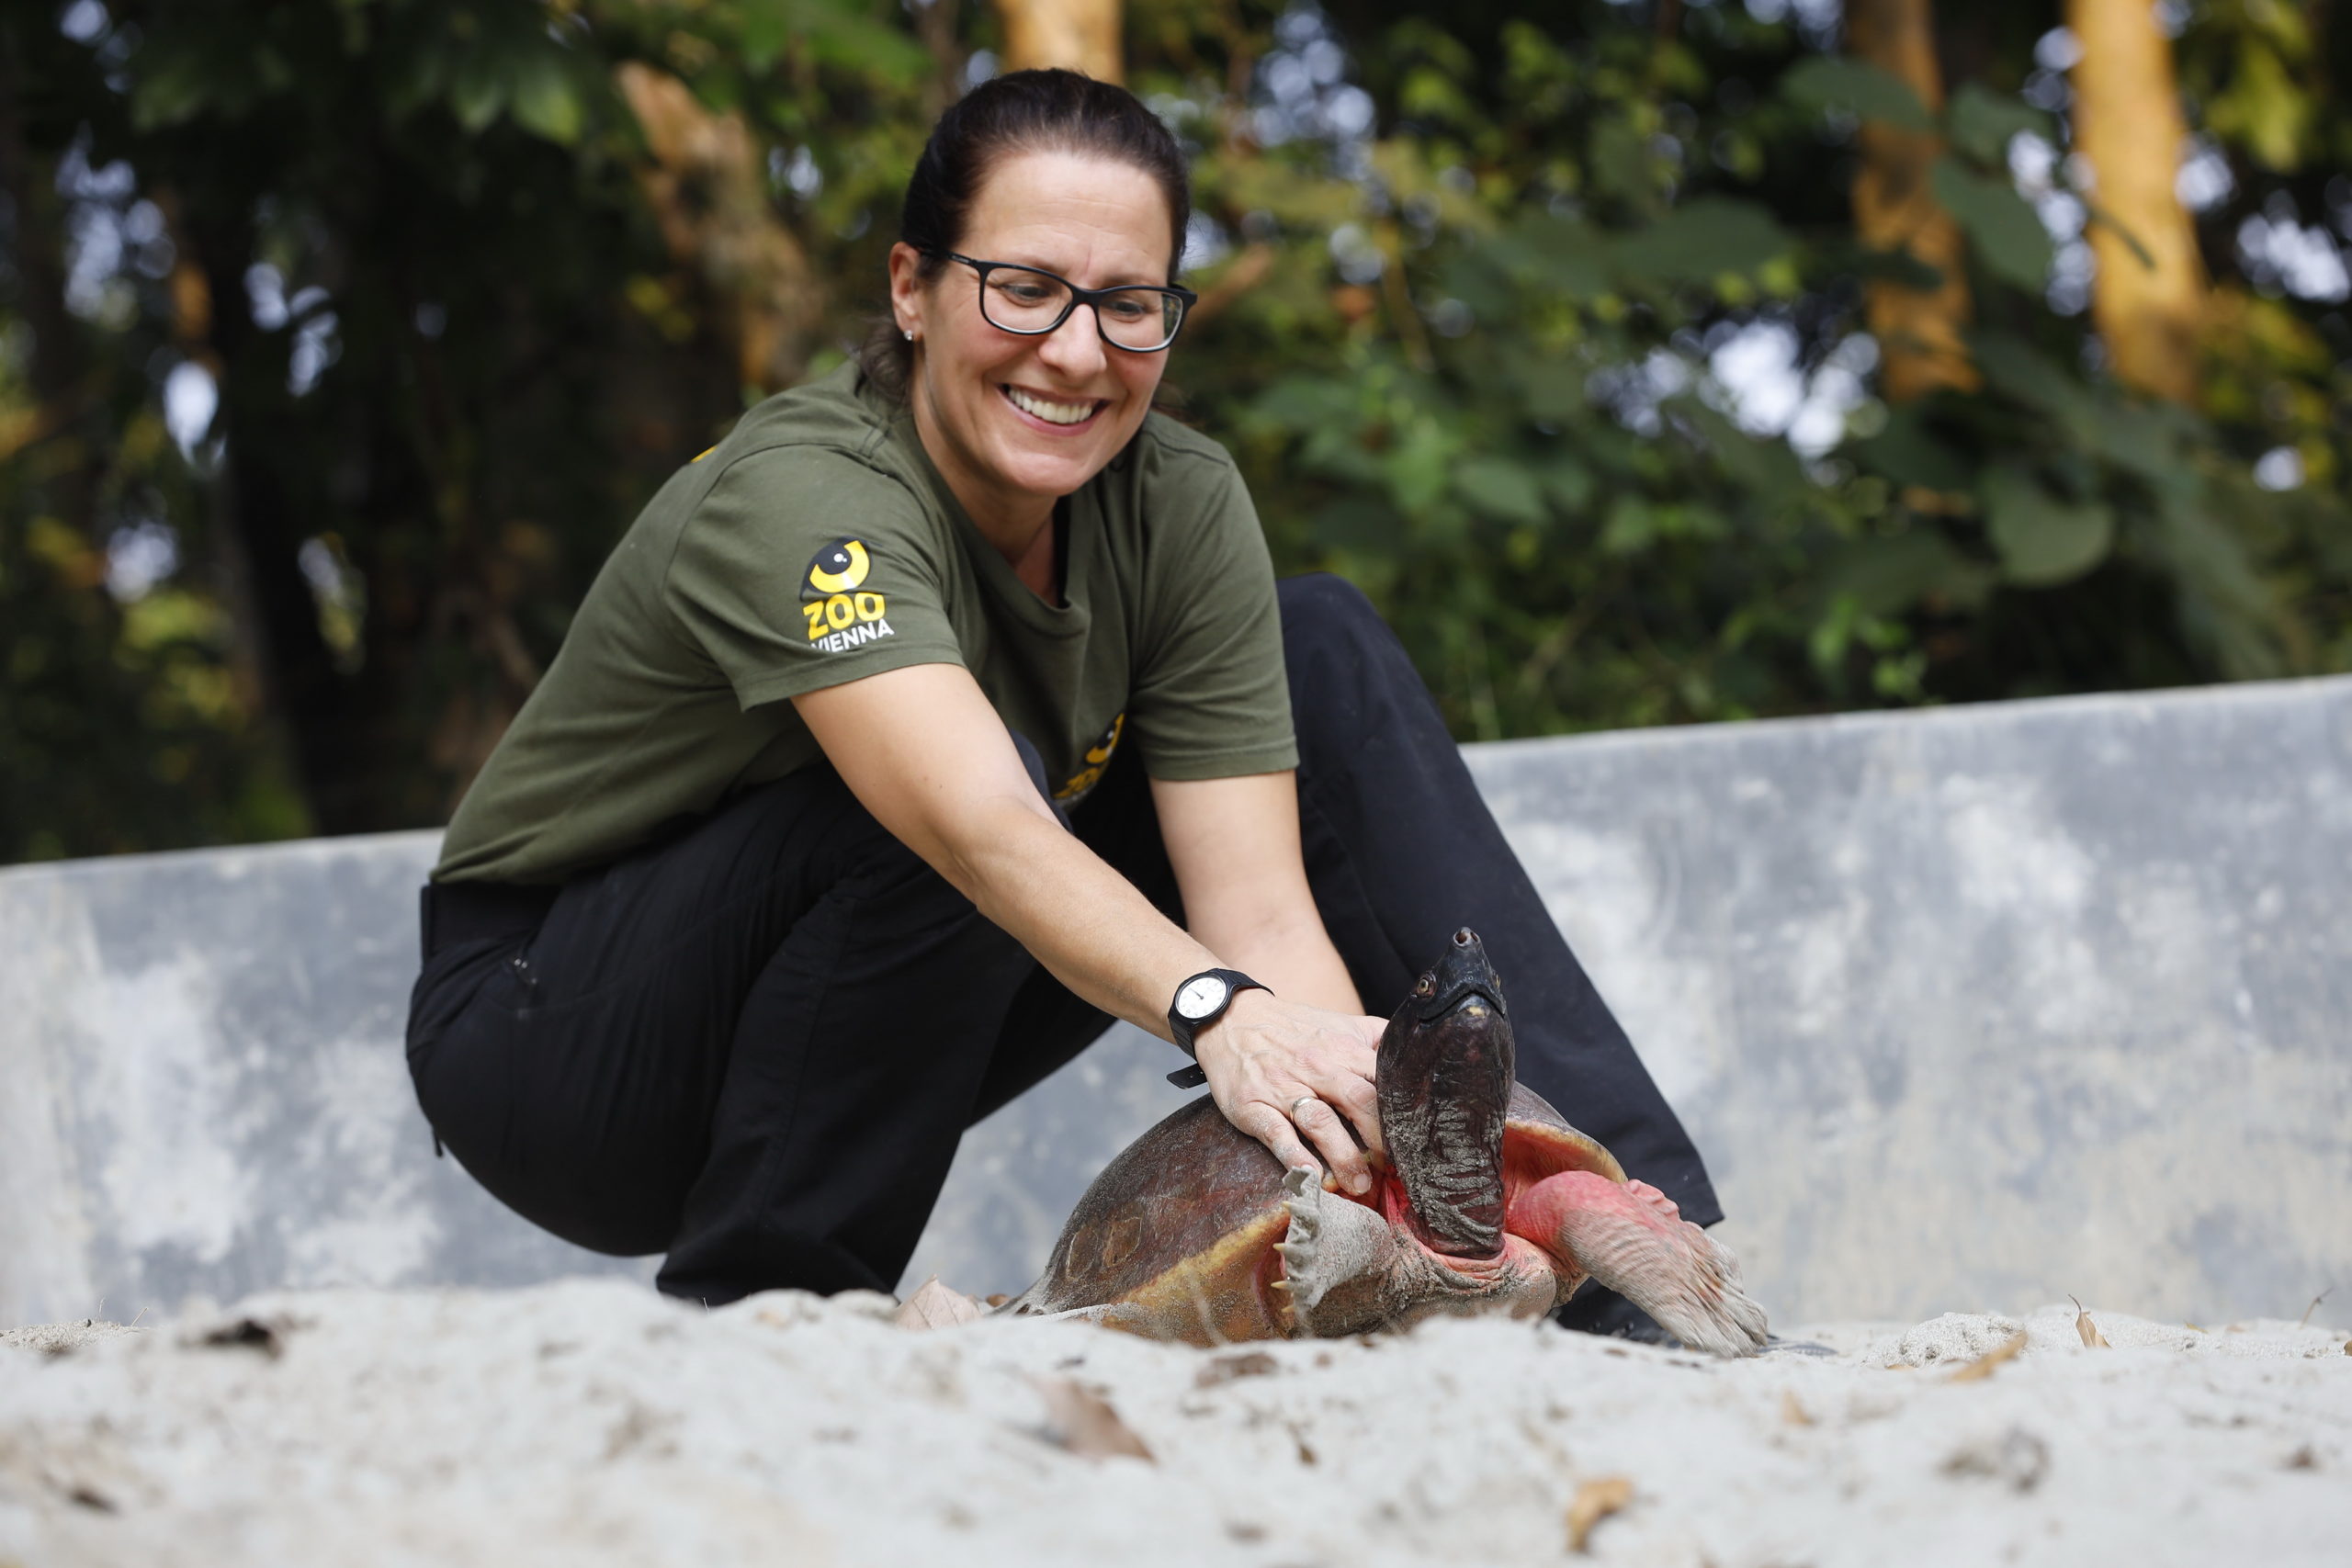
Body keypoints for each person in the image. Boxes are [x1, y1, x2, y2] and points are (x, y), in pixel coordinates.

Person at [405, 68, 1719, 1334]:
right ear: (912, 289)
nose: (1078, 353)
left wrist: (1339, 1141)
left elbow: (1257, 912)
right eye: (1023, 290)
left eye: (1127, 304)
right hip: (553, 1038)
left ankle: (1629, 1248)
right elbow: (977, 827)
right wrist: (1220, 1016)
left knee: (1317, 641)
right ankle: (774, 1311)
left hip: (869, 980)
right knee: (953, 801)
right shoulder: (805, 493)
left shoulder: (1179, 502)